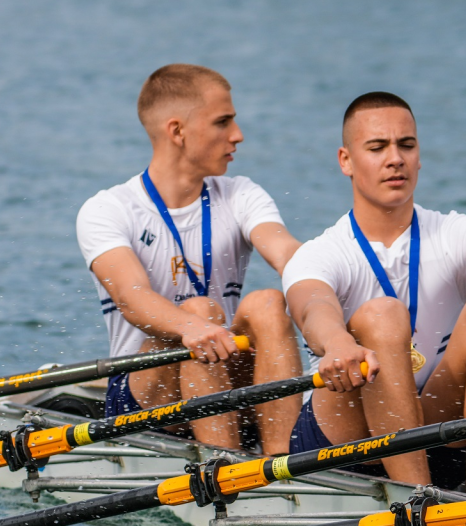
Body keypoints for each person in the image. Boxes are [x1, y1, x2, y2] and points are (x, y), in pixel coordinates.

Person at [281, 92, 466, 490]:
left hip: (430, 428)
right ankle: (419, 500)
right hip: (343, 445)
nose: (395, 158)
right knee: (383, 315)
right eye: (377, 147)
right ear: (345, 160)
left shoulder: (457, 233)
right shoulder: (321, 253)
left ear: (419, 156)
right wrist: (338, 341)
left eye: (406, 145)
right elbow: (312, 307)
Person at [77, 64, 303, 454]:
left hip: (220, 376)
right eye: (223, 122)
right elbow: (132, 297)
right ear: (177, 131)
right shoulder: (108, 209)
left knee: (267, 303)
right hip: (143, 398)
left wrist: (337, 299)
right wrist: (190, 326)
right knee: (202, 311)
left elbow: (288, 254)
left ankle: (282, 463)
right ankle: (225, 465)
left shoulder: (240, 194)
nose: (238, 135)